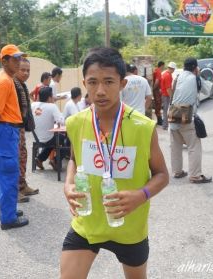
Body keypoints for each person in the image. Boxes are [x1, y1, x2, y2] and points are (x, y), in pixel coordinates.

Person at [60, 47, 169, 279]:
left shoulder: (143, 127)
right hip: (88, 223)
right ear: (84, 83)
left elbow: (162, 175)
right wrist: (68, 184)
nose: (100, 91)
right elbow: (74, 158)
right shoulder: (75, 123)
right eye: (93, 82)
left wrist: (142, 195)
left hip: (129, 226)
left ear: (122, 83)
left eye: (109, 81)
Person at [0, 44, 29, 230]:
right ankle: (8, 218)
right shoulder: (4, 81)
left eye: (20, 58)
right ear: (4, 61)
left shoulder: (6, 79)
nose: (19, 62)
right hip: (5, 130)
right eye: (15, 59)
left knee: (3, 173)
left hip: (5, 130)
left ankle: (4, 209)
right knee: (10, 173)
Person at [169, 58, 212, 183]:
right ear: (195, 67)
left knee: (175, 146)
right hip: (186, 115)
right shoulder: (195, 78)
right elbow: (207, 90)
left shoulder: (177, 77)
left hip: (173, 114)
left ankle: (177, 172)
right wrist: (198, 76)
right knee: (194, 146)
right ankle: (195, 175)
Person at [13, 58, 39, 200]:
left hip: (20, 126)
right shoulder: (12, 84)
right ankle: (15, 189)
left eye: (28, 70)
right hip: (13, 127)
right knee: (16, 157)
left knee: (23, 154)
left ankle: (22, 185)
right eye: (22, 69)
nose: (25, 73)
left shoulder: (21, 85)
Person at [32, 86, 65, 171]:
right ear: (49, 97)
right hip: (48, 138)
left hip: (36, 138)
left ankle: (39, 159)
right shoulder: (52, 106)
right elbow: (61, 121)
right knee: (64, 139)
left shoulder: (33, 105)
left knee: (52, 139)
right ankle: (55, 160)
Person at [160, 62, 176, 130]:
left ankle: (165, 125)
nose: (174, 71)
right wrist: (172, 97)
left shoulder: (165, 74)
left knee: (165, 110)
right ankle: (165, 125)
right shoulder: (168, 75)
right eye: (174, 69)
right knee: (166, 111)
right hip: (166, 95)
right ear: (172, 69)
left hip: (164, 94)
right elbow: (168, 88)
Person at [152, 61, 165, 125]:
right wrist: (154, 89)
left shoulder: (155, 70)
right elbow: (157, 81)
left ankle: (159, 119)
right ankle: (159, 120)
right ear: (162, 65)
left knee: (158, 104)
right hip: (157, 90)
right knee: (158, 104)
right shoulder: (158, 71)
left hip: (156, 90)